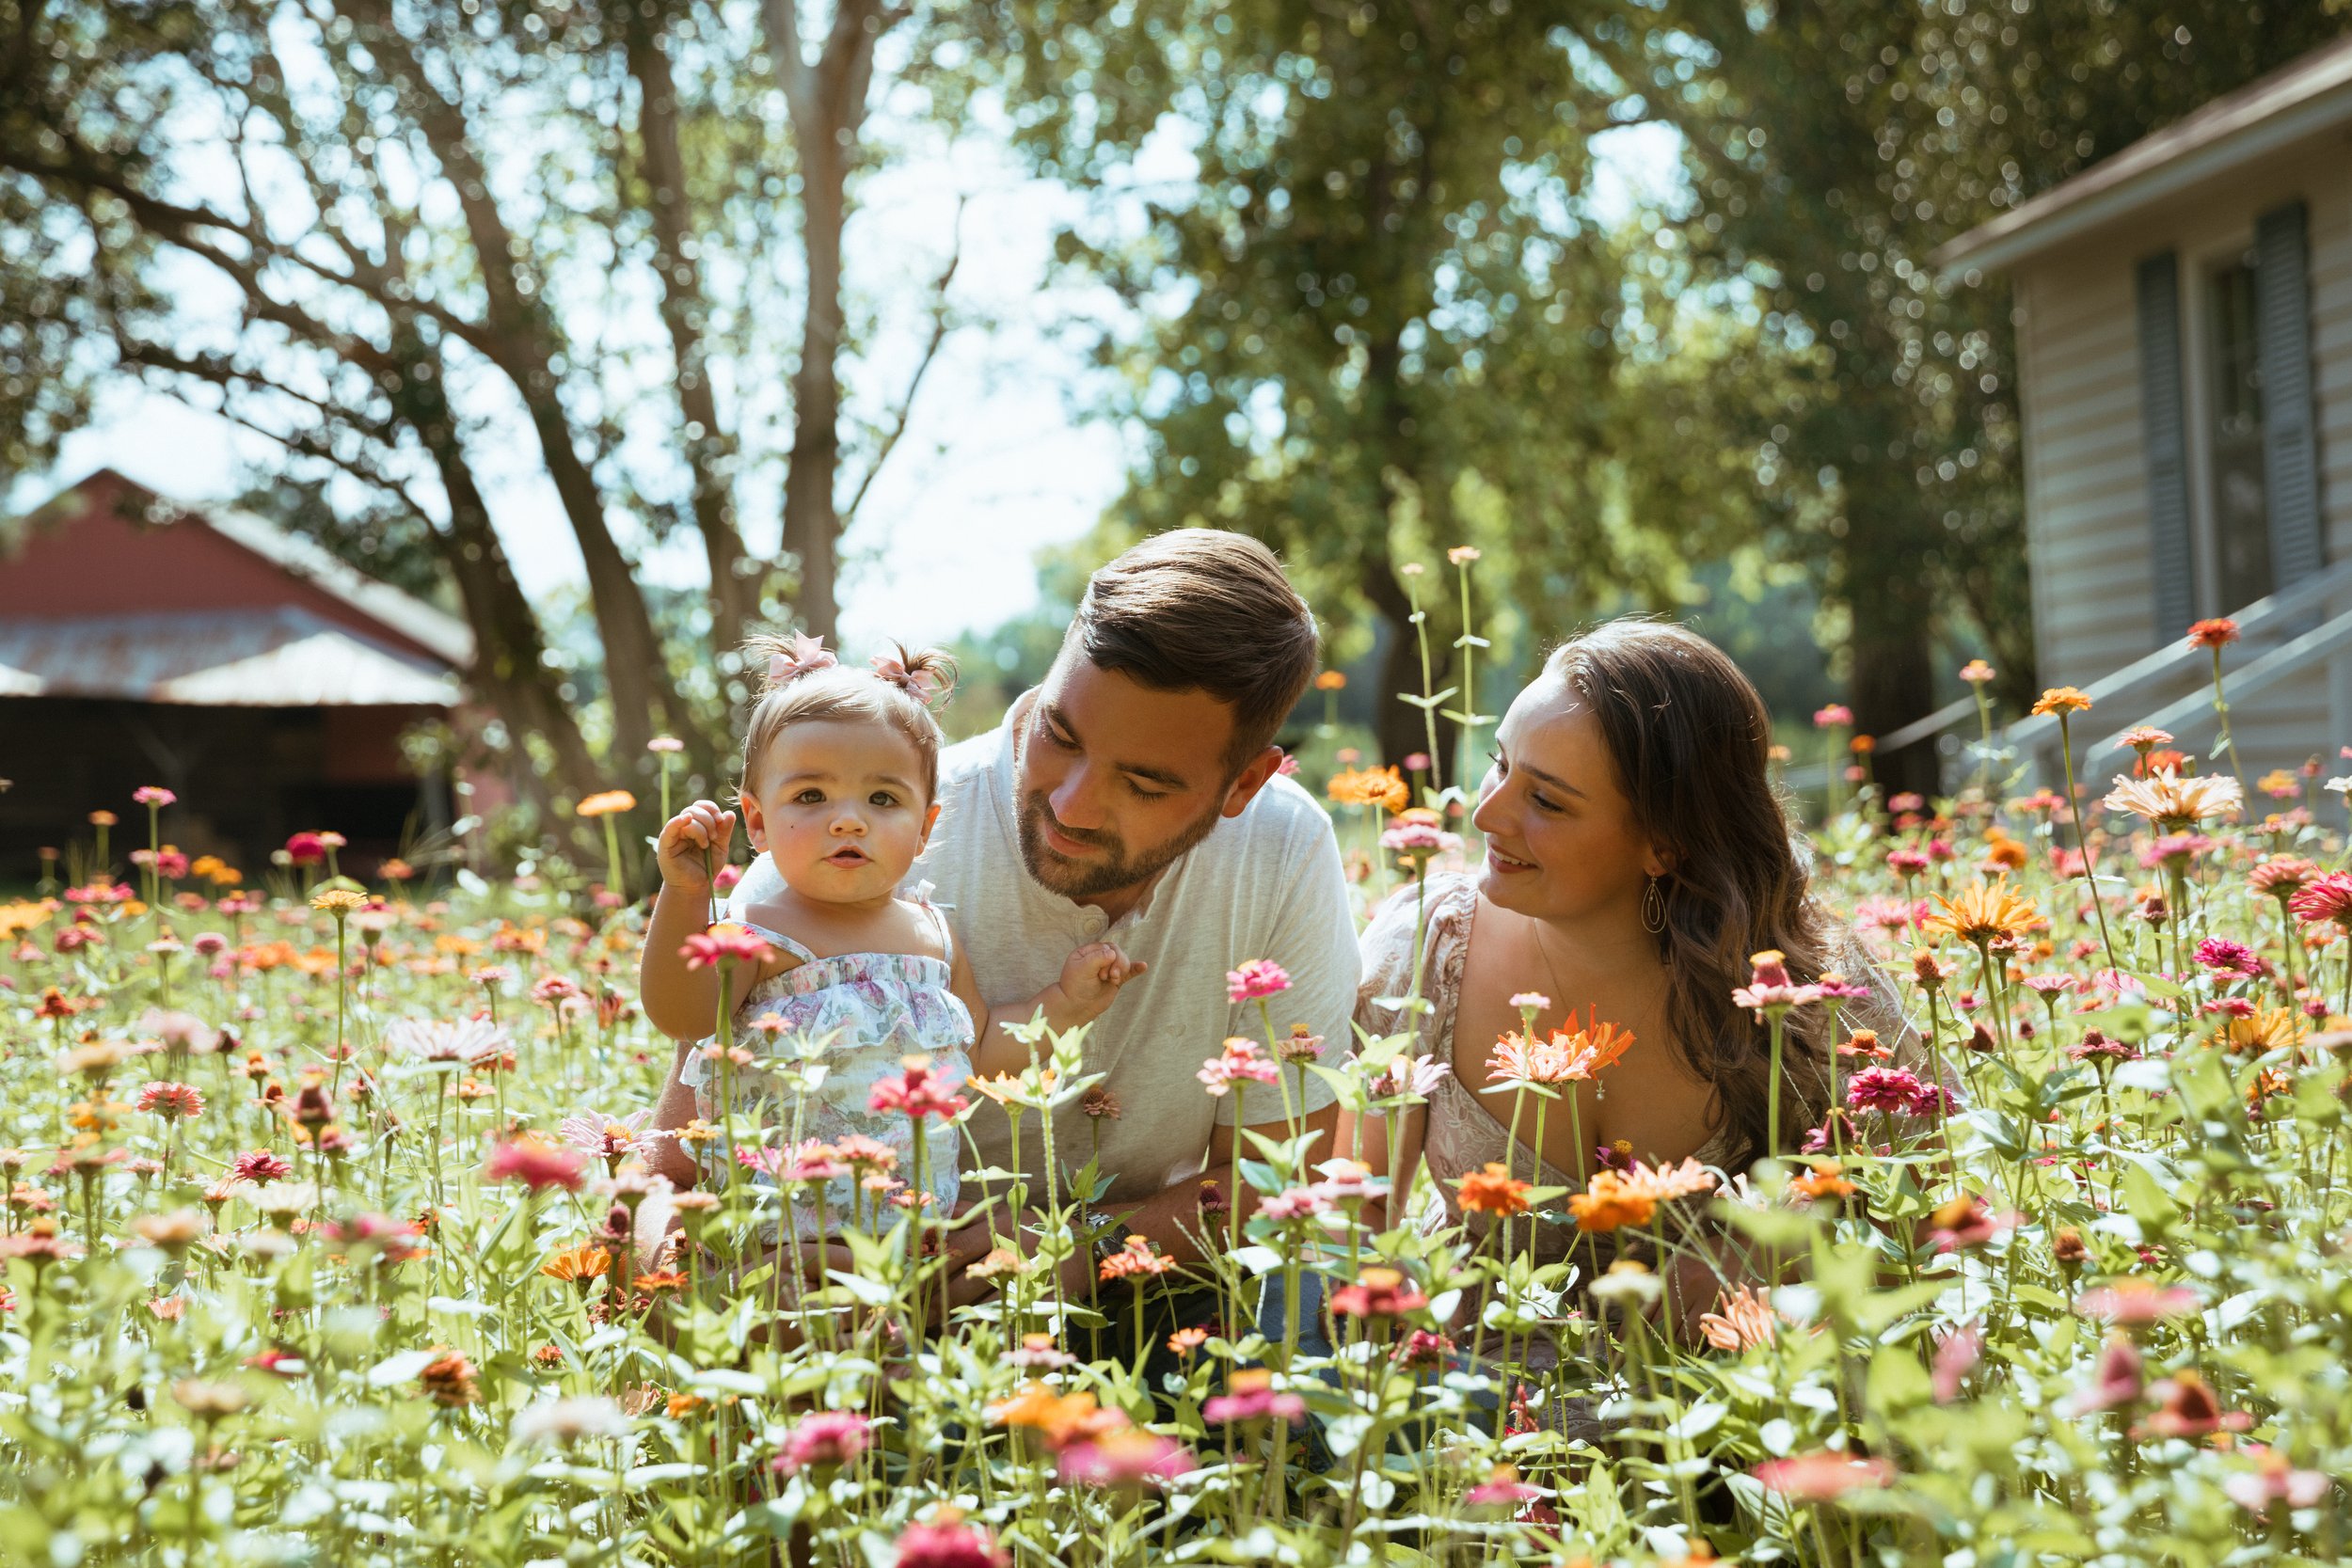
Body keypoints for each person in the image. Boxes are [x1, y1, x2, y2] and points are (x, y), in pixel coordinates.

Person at [701, 530, 1359, 1324]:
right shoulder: (863, 825)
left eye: (1144, 782)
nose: (1072, 805)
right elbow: (676, 1150)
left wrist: (1078, 1246)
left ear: (1245, 782)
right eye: (1060, 735)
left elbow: (1280, 1171)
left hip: (1154, 1293)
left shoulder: (1284, 849)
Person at [1344, 619, 1914, 1346]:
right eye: (1498, 763)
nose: (1486, 812)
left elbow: (1932, 1215)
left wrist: (1772, 1253)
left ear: (1664, 842)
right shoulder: (1426, 948)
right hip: (1480, 1409)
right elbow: (1347, 1227)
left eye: (1546, 800)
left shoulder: (1802, 979)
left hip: (1747, 1404)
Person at [638, 634, 1144, 1248]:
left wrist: (1065, 1003)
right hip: (784, 1242)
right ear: (757, 821)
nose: (848, 818)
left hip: (913, 1234)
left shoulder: (932, 933)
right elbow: (680, 1011)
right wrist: (685, 894)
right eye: (810, 796)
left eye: (882, 797)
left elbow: (981, 1049)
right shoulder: (757, 931)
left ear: (926, 826)